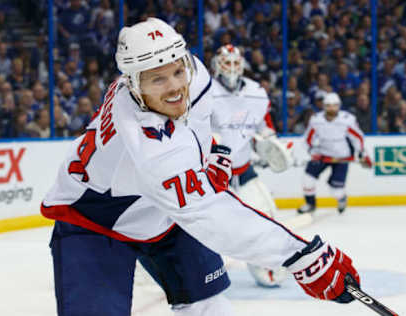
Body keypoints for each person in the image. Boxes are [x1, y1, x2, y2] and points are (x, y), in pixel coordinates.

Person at [41, 18, 360, 316]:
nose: (175, 87)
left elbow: (202, 119)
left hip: (160, 212)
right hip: (96, 220)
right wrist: (304, 257)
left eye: (177, 72)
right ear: (134, 85)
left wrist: (212, 152)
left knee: (210, 307)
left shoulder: (194, 75)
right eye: (158, 79)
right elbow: (214, 216)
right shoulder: (152, 148)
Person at [210, 44, 303, 287]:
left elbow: (264, 124)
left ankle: (269, 272)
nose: (231, 68)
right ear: (216, 66)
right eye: (226, 63)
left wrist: (270, 142)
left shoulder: (255, 92)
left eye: (235, 63)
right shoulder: (203, 92)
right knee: (205, 229)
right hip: (210, 178)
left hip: (243, 171)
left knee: (265, 220)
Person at [298, 92, 372, 214]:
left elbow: (358, 138)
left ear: (339, 106)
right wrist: (311, 151)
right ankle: (310, 204)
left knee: (336, 191)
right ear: (324, 106)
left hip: (341, 157)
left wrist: (362, 154)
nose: (331, 109)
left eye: (334, 106)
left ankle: (341, 198)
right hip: (322, 155)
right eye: (328, 106)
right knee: (307, 179)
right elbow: (307, 139)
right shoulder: (316, 120)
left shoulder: (347, 120)